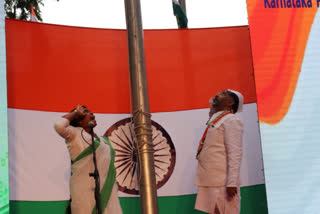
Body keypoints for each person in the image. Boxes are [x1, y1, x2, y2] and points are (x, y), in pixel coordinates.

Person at [54, 105, 123, 214]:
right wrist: (76, 112)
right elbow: (59, 126)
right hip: (85, 189)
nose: (92, 114)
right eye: (86, 112)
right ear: (79, 121)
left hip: (108, 189)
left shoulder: (103, 140)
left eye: (91, 112)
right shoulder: (74, 133)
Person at [194, 89, 244, 214]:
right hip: (211, 181)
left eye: (223, 94)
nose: (217, 95)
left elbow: (235, 153)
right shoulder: (216, 120)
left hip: (223, 183)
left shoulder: (232, 120)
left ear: (230, 102)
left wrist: (232, 182)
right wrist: (213, 110)